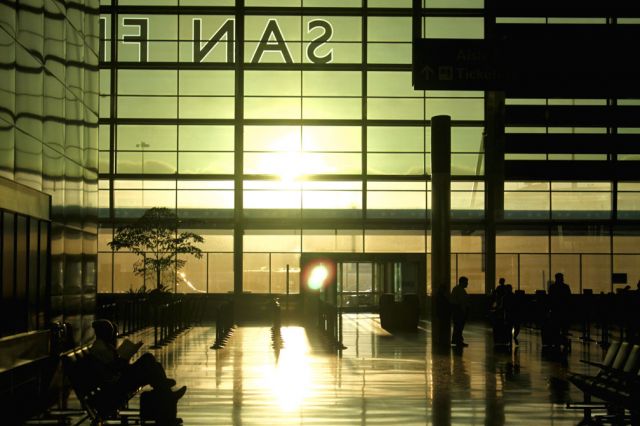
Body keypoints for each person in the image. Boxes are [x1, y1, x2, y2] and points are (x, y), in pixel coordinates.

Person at [89, 319, 186, 402]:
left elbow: (114, 365)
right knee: (148, 360)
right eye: (110, 332)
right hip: (119, 383)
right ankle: (164, 387)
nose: (113, 335)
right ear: (103, 333)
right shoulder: (100, 347)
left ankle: (164, 387)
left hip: (121, 378)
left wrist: (124, 357)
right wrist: (124, 357)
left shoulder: (104, 345)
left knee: (154, 364)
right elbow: (114, 368)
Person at [548, 272, 572, 346]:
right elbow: (569, 298)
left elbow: (550, 299)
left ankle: (557, 341)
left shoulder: (552, 288)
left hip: (555, 310)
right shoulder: (565, 287)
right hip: (563, 310)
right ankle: (563, 341)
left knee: (556, 328)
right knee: (564, 328)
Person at [451, 276, 470, 347]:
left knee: (457, 327)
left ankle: (455, 340)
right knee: (459, 326)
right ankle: (458, 341)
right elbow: (462, 301)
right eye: (466, 282)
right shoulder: (460, 290)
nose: (467, 284)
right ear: (462, 282)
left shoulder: (457, 289)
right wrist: (464, 311)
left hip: (457, 310)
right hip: (459, 311)